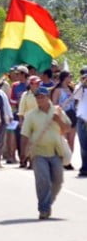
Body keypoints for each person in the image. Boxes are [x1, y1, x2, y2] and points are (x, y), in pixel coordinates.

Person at [21, 86, 71, 219]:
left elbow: (67, 128)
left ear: (47, 97)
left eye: (42, 97)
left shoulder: (58, 111)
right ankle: (43, 208)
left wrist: (58, 120)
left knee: (58, 181)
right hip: (38, 152)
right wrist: (23, 152)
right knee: (43, 180)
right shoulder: (31, 115)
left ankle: (47, 202)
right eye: (37, 97)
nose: (40, 100)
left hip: (56, 150)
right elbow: (25, 135)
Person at [51, 71, 77, 170]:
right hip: (63, 116)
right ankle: (61, 161)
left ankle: (68, 161)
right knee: (63, 140)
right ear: (65, 77)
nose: (71, 78)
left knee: (71, 140)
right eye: (70, 76)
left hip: (72, 115)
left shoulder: (72, 89)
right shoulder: (57, 90)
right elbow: (54, 104)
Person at [73, 72, 87, 177]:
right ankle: (85, 168)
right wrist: (82, 84)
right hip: (82, 119)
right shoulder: (79, 87)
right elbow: (76, 96)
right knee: (83, 146)